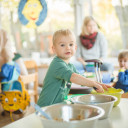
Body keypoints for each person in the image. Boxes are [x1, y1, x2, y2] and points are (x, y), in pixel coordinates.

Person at [37, 29, 111, 107]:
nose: (68, 48)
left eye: (71, 45)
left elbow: (82, 79)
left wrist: (97, 84)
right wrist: (93, 84)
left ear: (75, 48)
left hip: (57, 106)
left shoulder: (70, 66)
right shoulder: (57, 64)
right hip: (45, 107)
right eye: (62, 45)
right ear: (54, 49)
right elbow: (73, 77)